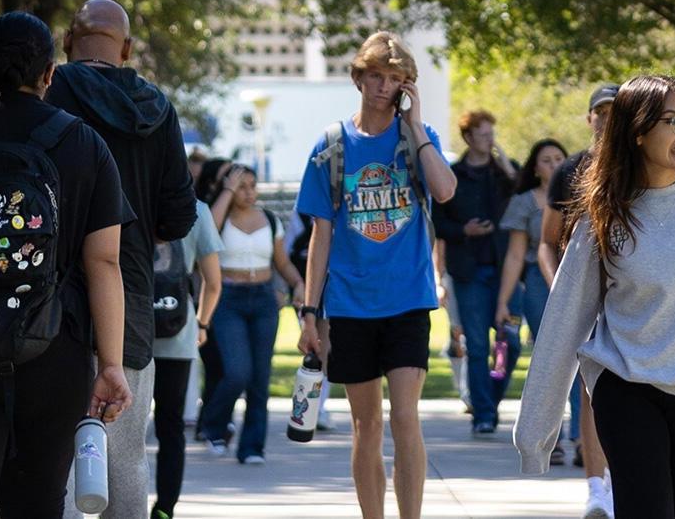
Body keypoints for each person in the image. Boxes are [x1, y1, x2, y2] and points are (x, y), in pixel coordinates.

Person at [516, 75, 675, 517]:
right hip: (625, 386)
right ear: (638, 131)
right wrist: (536, 433)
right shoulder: (605, 214)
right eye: (673, 122)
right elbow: (566, 318)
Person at [0, 10, 134, 519]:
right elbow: (105, 262)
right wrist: (112, 363)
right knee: (37, 506)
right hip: (55, 349)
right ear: (50, 75)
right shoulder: (83, 143)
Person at [43, 0, 198, 519]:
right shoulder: (157, 109)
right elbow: (179, 217)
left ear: (67, 41)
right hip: (130, 295)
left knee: (54, 463)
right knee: (125, 457)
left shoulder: (48, 89)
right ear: (126, 49)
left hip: (49, 293)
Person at [294, 31, 457, 519]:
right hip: (349, 304)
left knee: (406, 418)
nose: (384, 86)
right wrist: (308, 311)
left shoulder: (416, 141)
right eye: (376, 76)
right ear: (357, 77)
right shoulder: (330, 148)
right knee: (366, 425)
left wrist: (418, 125)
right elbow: (320, 237)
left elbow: (445, 191)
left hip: (407, 299)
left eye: (395, 79)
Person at [540, 84, 618, 516]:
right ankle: (596, 489)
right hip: (584, 295)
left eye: (614, 111)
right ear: (589, 118)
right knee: (592, 393)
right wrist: (562, 290)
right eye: (600, 112)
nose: (606, 119)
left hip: (631, 295)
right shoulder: (570, 171)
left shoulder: (644, 165)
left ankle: (621, 479)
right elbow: (546, 243)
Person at [196, 160, 300, 464]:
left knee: (259, 377)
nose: (248, 192)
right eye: (241, 186)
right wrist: (227, 192)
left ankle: (253, 446)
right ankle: (214, 426)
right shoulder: (221, 218)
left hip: (264, 300)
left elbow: (282, 263)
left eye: (252, 186)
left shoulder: (269, 219)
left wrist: (297, 283)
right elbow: (207, 232)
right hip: (229, 299)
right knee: (237, 371)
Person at [436, 110, 519, 437]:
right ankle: (483, 413)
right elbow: (438, 222)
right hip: (469, 273)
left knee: (508, 342)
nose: (489, 140)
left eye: (491, 134)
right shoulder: (452, 175)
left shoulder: (504, 172)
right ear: (468, 137)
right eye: (483, 135)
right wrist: (463, 230)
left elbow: (523, 189)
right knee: (478, 346)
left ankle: (492, 398)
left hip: (506, 272)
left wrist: (504, 161)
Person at [151, 199, 223, 518]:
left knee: (120, 429)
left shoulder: (129, 196)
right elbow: (213, 282)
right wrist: (203, 323)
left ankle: (118, 504)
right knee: (171, 425)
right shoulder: (196, 210)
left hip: (127, 331)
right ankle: (165, 507)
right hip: (178, 330)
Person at [494, 138, 563, 448]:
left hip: (575, 276)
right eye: (546, 160)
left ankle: (582, 439)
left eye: (559, 158)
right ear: (535, 167)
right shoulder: (524, 202)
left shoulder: (583, 196)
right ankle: (554, 438)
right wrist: (503, 301)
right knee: (550, 357)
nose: (554, 164)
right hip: (537, 281)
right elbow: (515, 256)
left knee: (580, 355)